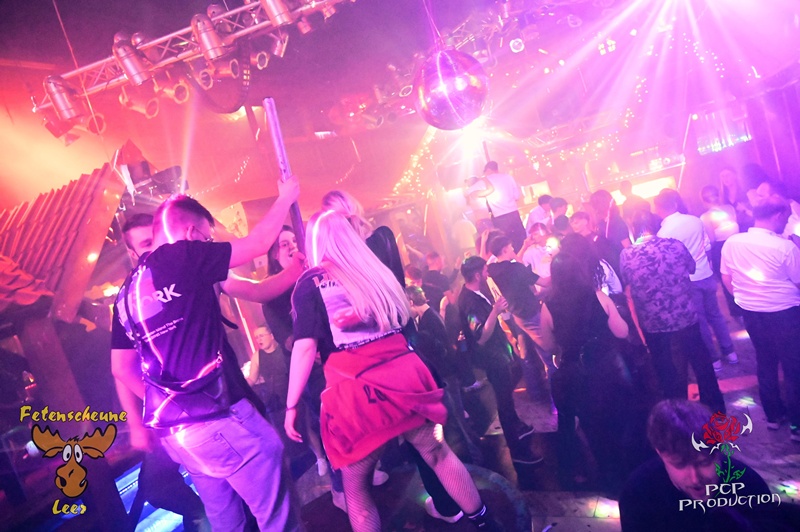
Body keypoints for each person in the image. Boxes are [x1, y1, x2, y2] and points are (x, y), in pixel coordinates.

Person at [285, 210, 495, 531]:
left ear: (315, 241)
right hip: (406, 377)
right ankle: (485, 523)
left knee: (356, 487)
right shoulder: (375, 270)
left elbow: (304, 348)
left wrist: (291, 406)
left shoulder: (311, 282)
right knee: (438, 453)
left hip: (357, 392)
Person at [111, 180, 301, 531]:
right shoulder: (184, 255)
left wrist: (174, 402)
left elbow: (121, 368)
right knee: (277, 515)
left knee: (225, 519)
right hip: (218, 418)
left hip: (179, 434)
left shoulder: (126, 294)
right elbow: (258, 243)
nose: (209, 245)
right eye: (207, 237)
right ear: (190, 232)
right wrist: (287, 196)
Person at [112, 213, 206, 531]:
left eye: (155, 239)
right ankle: (203, 516)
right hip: (172, 414)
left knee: (217, 481)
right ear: (132, 253)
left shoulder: (183, 274)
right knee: (159, 485)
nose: (153, 248)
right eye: (144, 244)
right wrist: (138, 421)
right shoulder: (129, 299)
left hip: (206, 400)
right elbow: (121, 368)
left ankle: (209, 517)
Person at [619, 399, 795, 532]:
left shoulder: (748, 484)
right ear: (660, 453)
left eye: (704, 463)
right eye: (680, 465)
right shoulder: (638, 492)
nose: (695, 479)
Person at [539, 250, 633, 490]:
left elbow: (548, 345)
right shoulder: (599, 297)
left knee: (589, 424)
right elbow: (622, 332)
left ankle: (604, 476)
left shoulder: (548, 307)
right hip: (605, 369)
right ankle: (625, 470)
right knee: (615, 418)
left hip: (575, 373)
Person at [620, 211, 725, 414]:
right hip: (685, 314)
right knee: (701, 362)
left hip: (653, 321)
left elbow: (627, 281)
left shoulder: (627, 254)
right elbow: (692, 268)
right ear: (656, 226)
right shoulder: (675, 245)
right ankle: (715, 408)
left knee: (665, 368)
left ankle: (676, 413)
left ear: (634, 229)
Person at [721, 194, 800, 438]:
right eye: (785, 217)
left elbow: (726, 277)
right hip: (785, 314)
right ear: (777, 215)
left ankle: (774, 416)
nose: (786, 222)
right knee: (793, 367)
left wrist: (744, 299)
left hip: (752, 314)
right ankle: (797, 426)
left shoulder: (732, 242)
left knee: (765, 362)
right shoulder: (784, 247)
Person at [458, 256, 540, 464]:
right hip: (491, 358)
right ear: (477, 275)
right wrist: (495, 311)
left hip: (498, 353)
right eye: (485, 271)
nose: (488, 273)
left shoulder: (478, 292)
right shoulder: (469, 301)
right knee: (503, 401)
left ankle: (517, 427)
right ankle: (518, 453)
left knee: (507, 396)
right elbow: (481, 337)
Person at [655, 188, 738, 371]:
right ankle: (730, 352)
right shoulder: (695, 220)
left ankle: (714, 360)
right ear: (675, 203)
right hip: (706, 274)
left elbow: (669, 263)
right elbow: (707, 245)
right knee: (716, 315)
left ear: (659, 209)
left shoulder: (663, 233)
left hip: (688, 281)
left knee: (700, 321)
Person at [473, 161, 526, 252]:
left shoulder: (485, 180)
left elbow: (469, 191)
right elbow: (517, 196)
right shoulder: (508, 177)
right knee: (520, 240)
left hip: (499, 217)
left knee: (505, 244)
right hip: (513, 214)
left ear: (488, 170)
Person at [589, 189, 630, 275]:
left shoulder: (615, 221)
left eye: (593, 205)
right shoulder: (602, 222)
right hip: (612, 264)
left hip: (620, 265)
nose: (592, 208)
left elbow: (627, 246)